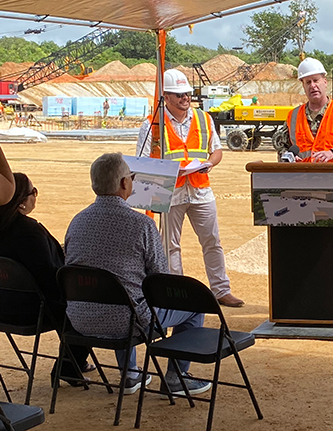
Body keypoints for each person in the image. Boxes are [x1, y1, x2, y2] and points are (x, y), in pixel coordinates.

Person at [65, 153, 212, 396]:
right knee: (192, 307)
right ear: (125, 183)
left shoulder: (77, 221)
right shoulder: (140, 224)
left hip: (80, 318)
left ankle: (130, 374)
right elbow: (161, 280)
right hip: (128, 322)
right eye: (131, 178)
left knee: (121, 293)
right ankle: (177, 377)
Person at [136, 69, 244, 307]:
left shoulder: (204, 119)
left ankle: (221, 290)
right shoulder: (152, 124)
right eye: (179, 95)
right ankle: (178, 293)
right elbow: (142, 161)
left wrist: (209, 164)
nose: (185, 98)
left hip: (200, 189)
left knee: (212, 241)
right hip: (170, 192)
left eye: (187, 93)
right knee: (170, 245)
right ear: (166, 96)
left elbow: (216, 150)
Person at [272, 57, 333, 319]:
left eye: (316, 80)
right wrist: (289, 156)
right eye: (307, 82)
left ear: (325, 82)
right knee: (308, 242)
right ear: (303, 85)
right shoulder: (293, 116)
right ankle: (312, 295)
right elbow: (279, 143)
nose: (313, 86)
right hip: (300, 189)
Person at [0, 173, 94, 386]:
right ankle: (69, 366)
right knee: (86, 305)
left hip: (4, 306)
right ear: (21, 202)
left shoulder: (8, 228)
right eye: (33, 192)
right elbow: (47, 276)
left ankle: (74, 361)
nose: (35, 196)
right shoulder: (28, 231)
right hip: (33, 309)